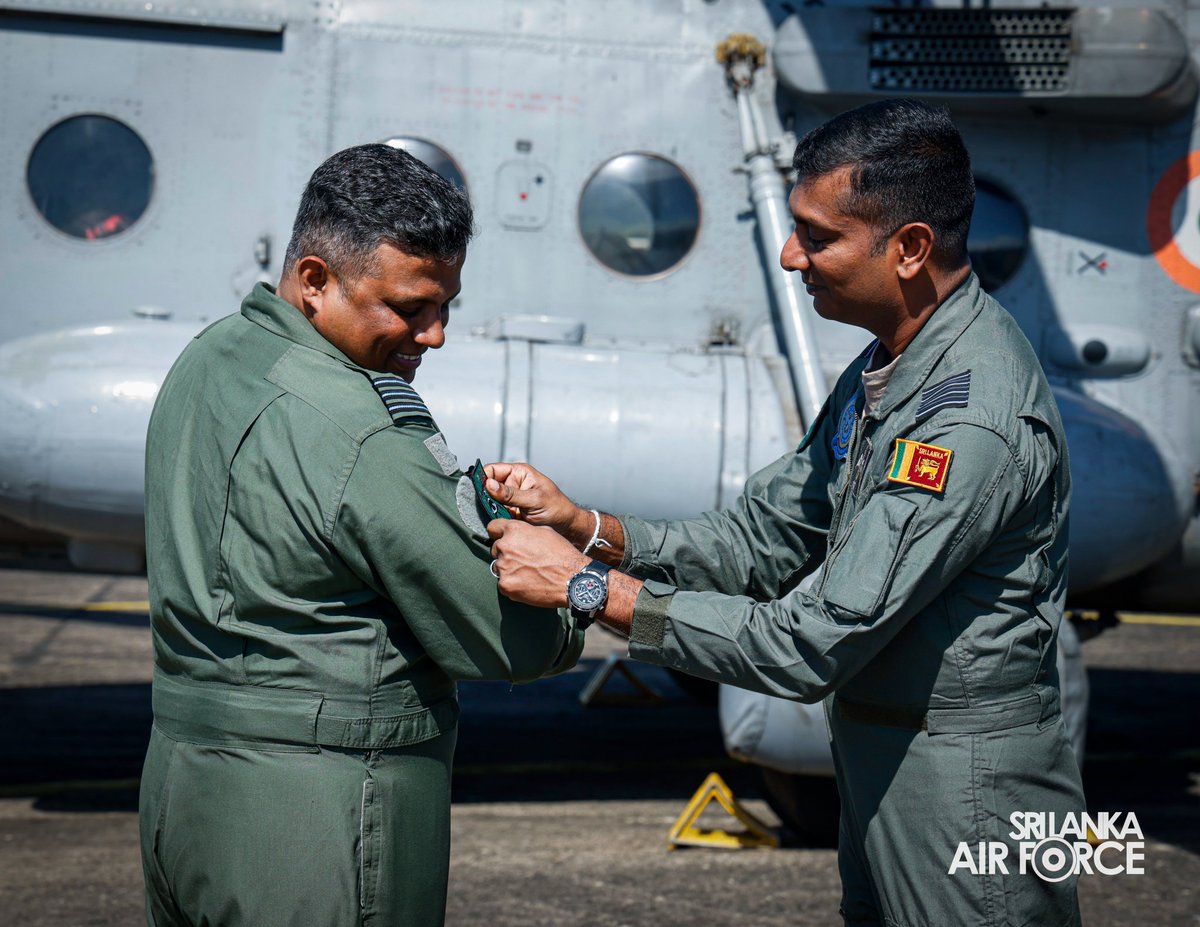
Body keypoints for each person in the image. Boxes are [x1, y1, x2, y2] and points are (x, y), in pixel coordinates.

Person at [485, 99, 1085, 926]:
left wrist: (591, 592)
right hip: (886, 760)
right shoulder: (889, 366)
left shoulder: (964, 420)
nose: (789, 253)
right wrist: (588, 527)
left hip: (965, 790)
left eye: (819, 235)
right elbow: (763, 538)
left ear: (909, 249)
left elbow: (811, 643)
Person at [138, 144, 584, 927]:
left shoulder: (208, 358)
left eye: (445, 306)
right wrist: (566, 579)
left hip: (183, 794)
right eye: (410, 308)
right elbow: (512, 641)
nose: (435, 334)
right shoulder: (365, 434)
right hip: (319, 827)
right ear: (314, 281)